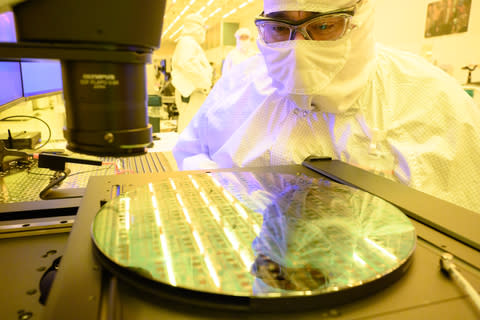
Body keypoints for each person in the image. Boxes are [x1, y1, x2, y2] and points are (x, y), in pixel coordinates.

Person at [172, 0, 480, 213]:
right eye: (279, 29)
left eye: (323, 27)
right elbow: (189, 157)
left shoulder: (431, 97)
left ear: (361, 18)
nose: (298, 51)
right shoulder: (237, 87)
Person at [171, 13, 212, 133]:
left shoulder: (191, 44)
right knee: (189, 127)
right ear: (196, 28)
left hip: (195, 93)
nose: (203, 32)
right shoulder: (187, 42)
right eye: (202, 28)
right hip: (191, 93)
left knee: (193, 127)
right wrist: (204, 82)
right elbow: (185, 64)